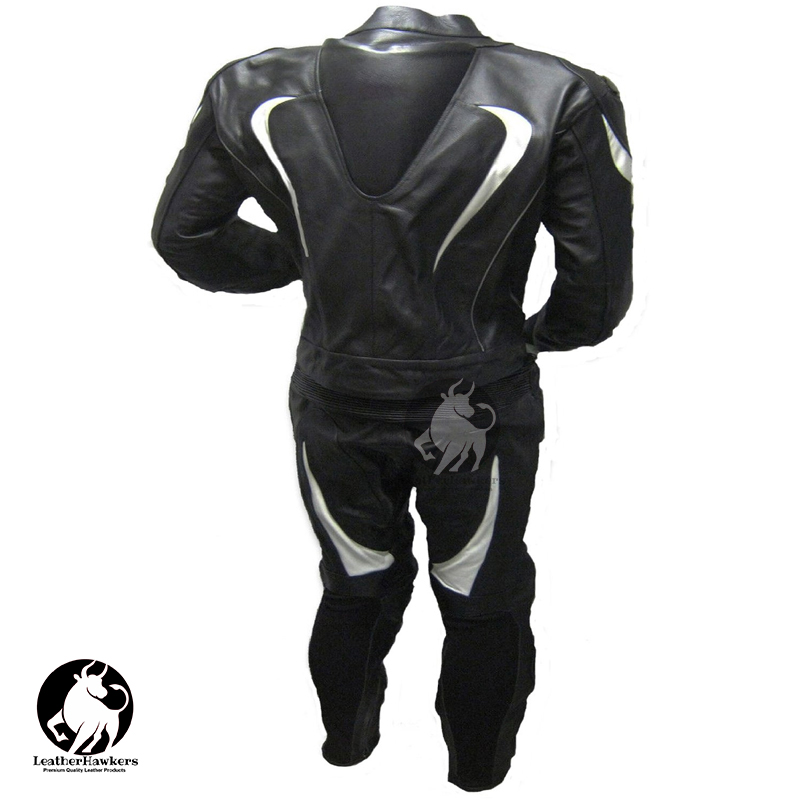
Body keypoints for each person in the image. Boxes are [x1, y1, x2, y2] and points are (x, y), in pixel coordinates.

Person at [152, 6, 633, 791]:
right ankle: (477, 772)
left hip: (336, 395)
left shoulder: (249, 88)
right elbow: (597, 287)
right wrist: (542, 335)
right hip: (477, 398)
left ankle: (347, 749)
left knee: (354, 578)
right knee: (479, 592)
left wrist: (308, 259)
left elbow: (186, 235)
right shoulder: (557, 91)